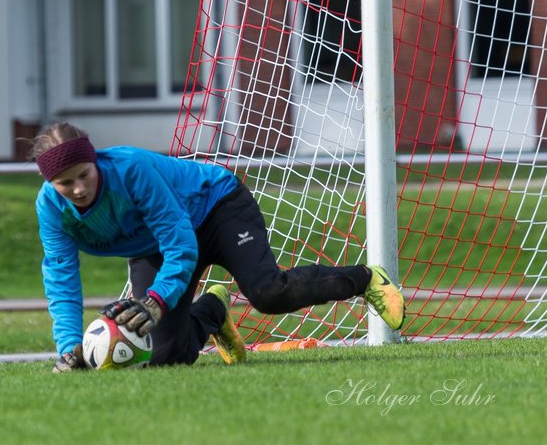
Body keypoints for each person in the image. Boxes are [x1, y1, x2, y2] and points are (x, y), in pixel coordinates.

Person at [29, 122, 405, 372]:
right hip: (157, 244)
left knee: (269, 294)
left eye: (84, 174)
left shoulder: (131, 169)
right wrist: (68, 346)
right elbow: (61, 277)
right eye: (65, 183)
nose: (78, 188)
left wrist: (158, 301)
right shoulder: (50, 209)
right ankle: (211, 311)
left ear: (95, 160)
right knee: (162, 357)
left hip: (217, 207)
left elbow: (180, 241)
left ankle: (366, 278)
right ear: (51, 184)